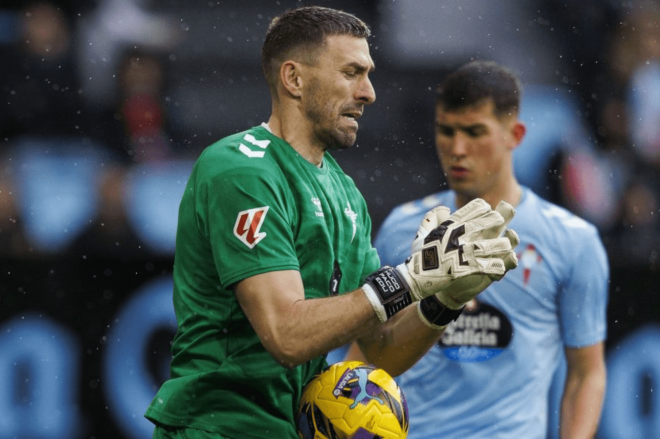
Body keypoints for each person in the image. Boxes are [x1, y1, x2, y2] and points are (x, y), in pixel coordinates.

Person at [144, 8, 519, 439]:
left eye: (369, 74)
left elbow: (378, 347)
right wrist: (409, 280)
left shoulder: (345, 193)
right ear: (294, 79)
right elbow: (286, 336)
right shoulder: (240, 171)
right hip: (220, 429)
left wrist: (442, 301)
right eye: (351, 73)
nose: (369, 93)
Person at [346, 60, 609, 438]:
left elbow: (587, 372)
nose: (457, 148)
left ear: (515, 134)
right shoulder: (402, 228)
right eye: (446, 131)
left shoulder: (573, 240)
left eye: (474, 132)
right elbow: (368, 350)